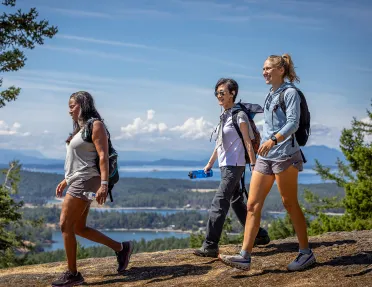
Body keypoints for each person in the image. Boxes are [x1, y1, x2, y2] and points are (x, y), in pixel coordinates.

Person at [219, 54, 316, 271]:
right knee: (252, 205)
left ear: (281, 70)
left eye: (268, 68)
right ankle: (244, 256)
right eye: (263, 68)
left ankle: (306, 252)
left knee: (289, 203)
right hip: (266, 156)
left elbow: (293, 123)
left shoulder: (290, 93)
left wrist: (273, 140)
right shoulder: (270, 93)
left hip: (285, 155)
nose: (264, 72)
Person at [51, 91, 133, 287]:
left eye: (72, 105)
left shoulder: (95, 125)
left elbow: (103, 156)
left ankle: (73, 274)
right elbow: (79, 160)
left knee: (65, 224)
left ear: (83, 105)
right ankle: (121, 248)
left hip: (87, 181)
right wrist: (66, 179)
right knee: (78, 227)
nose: (69, 110)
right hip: (78, 180)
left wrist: (104, 185)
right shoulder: (80, 129)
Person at [193, 78, 270, 258]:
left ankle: (210, 245)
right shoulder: (225, 115)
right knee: (236, 201)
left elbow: (247, 142)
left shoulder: (239, 115)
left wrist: (253, 164)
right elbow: (220, 144)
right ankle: (259, 235)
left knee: (219, 202)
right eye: (217, 93)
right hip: (225, 165)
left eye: (222, 92)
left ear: (232, 93)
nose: (218, 96)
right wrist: (210, 163)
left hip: (235, 166)